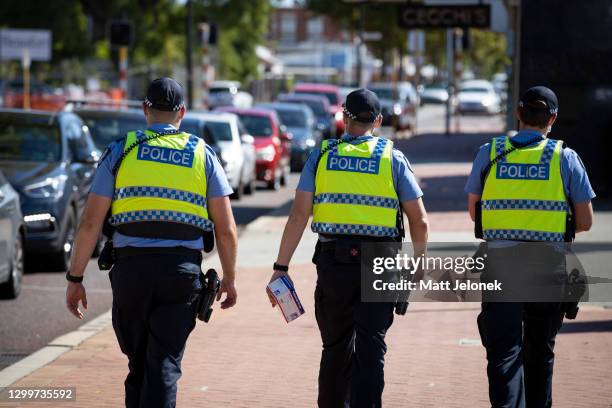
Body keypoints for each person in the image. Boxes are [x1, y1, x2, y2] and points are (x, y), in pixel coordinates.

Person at [65, 77, 238, 408]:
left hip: (131, 273)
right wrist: (230, 279)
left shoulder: (121, 149)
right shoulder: (203, 154)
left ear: (145, 109)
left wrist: (75, 279)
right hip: (181, 273)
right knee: (163, 367)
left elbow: (90, 222)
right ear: (182, 113)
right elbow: (226, 228)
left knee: (139, 364)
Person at [267, 89, 429, 408]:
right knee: (371, 348)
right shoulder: (392, 158)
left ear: (343, 117)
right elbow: (419, 220)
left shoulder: (322, 155)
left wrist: (281, 267)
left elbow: (299, 215)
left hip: (333, 263)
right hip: (381, 264)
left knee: (335, 349)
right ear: (379, 121)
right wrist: (417, 267)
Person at [465, 86, 595, 408]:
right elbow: (585, 221)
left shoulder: (489, 152)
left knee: (504, 354)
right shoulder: (565, 157)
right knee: (540, 350)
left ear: (518, 114)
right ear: (552, 118)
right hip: (547, 268)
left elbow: (474, 212)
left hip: (500, 266)